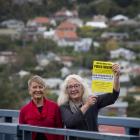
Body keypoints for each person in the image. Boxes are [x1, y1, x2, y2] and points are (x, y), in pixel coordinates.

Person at [57, 64, 120, 140]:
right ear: (66, 90)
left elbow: (112, 96)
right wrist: (87, 105)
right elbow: (70, 122)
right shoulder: (64, 106)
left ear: (83, 88)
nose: (73, 89)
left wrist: (116, 77)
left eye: (76, 86)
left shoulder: (92, 99)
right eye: (70, 87)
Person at [19, 75, 63, 140]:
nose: (38, 90)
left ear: (44, 89)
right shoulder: (24, 110)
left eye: (40, 87)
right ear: (29, 90)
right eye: (34, 87)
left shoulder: (54, 107)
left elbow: (60, 130)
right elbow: (21, 133)